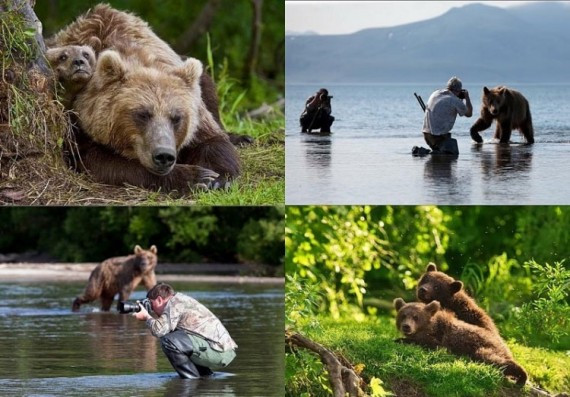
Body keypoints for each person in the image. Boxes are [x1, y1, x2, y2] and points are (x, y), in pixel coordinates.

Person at [134, 283, 237, 378]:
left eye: (151, 304)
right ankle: (205, 378)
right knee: (175, 337)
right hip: (220, 350)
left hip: (219, 351)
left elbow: (158, 330)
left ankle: (191, 381)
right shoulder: (180, 300)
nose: (152, 309)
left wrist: (147, 317)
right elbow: (165, 329)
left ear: (160, 299)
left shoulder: (175, 303)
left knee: (169, 341)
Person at [420, 76, 473, 154]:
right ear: (459, 90)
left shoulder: (436, 93)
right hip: (437, 137)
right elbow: (469, 114)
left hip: (426, 135)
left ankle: (433, 153)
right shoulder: (454, 100)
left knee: (438, 159)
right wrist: (467, 98)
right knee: (452, 156)